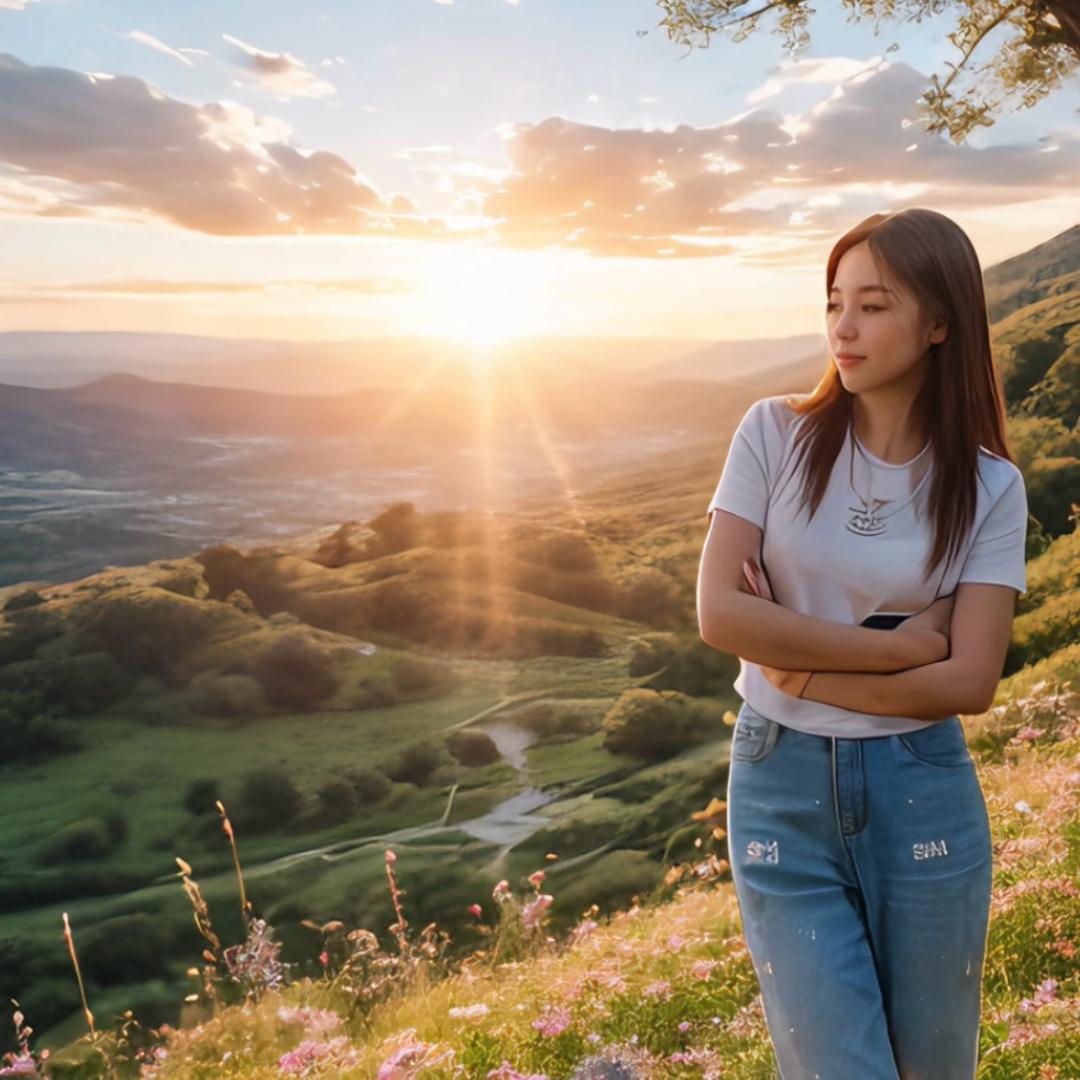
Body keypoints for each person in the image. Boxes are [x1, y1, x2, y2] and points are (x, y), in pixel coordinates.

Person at [695, 207, 1029, 1079]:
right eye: (835, 301)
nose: (844, 326)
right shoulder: (772, 432)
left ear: (941, 322)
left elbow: (969, 681)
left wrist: (799, 665)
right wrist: (893, 650)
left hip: (921, 784)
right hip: (778, 783)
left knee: (933, 1066)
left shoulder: (991, 487)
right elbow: (721, 617)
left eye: (874, 305)